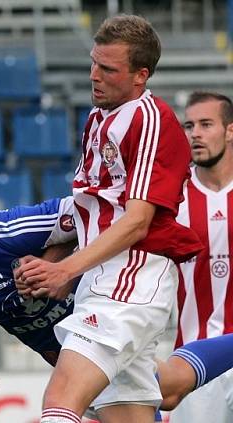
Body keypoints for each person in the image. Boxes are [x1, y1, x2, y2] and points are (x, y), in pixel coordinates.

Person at [0, 159, 233, 421]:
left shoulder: (16, 229)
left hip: (100, 323)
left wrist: (57, 268)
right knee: (162, 392)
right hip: (64, 357)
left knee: (154, 392)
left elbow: (95, 215)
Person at [16, 15, 205, 423]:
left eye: (108, 69)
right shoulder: (99, 118)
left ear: (141, 75)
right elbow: (95, 208)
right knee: (125, 416)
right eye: (93, 63)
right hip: (103, 280)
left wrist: (63, 268)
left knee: (62, 397)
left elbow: (137, 221)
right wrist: (57, 263)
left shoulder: (148, 118)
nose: (93, 76)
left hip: (130, 279)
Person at [168, 91, 233, 421]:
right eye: (189, 125)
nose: (195, 133)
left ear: (230, 130)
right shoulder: (170, 197)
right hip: (193, 363)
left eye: (206, 124)